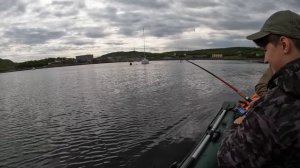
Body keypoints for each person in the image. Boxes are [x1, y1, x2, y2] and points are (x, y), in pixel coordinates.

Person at [217, 10, 300, 168]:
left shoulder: (274, 110)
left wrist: (237, 124)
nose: (265, 59)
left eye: (266, 50)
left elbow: (226, 160)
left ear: (284, 44)